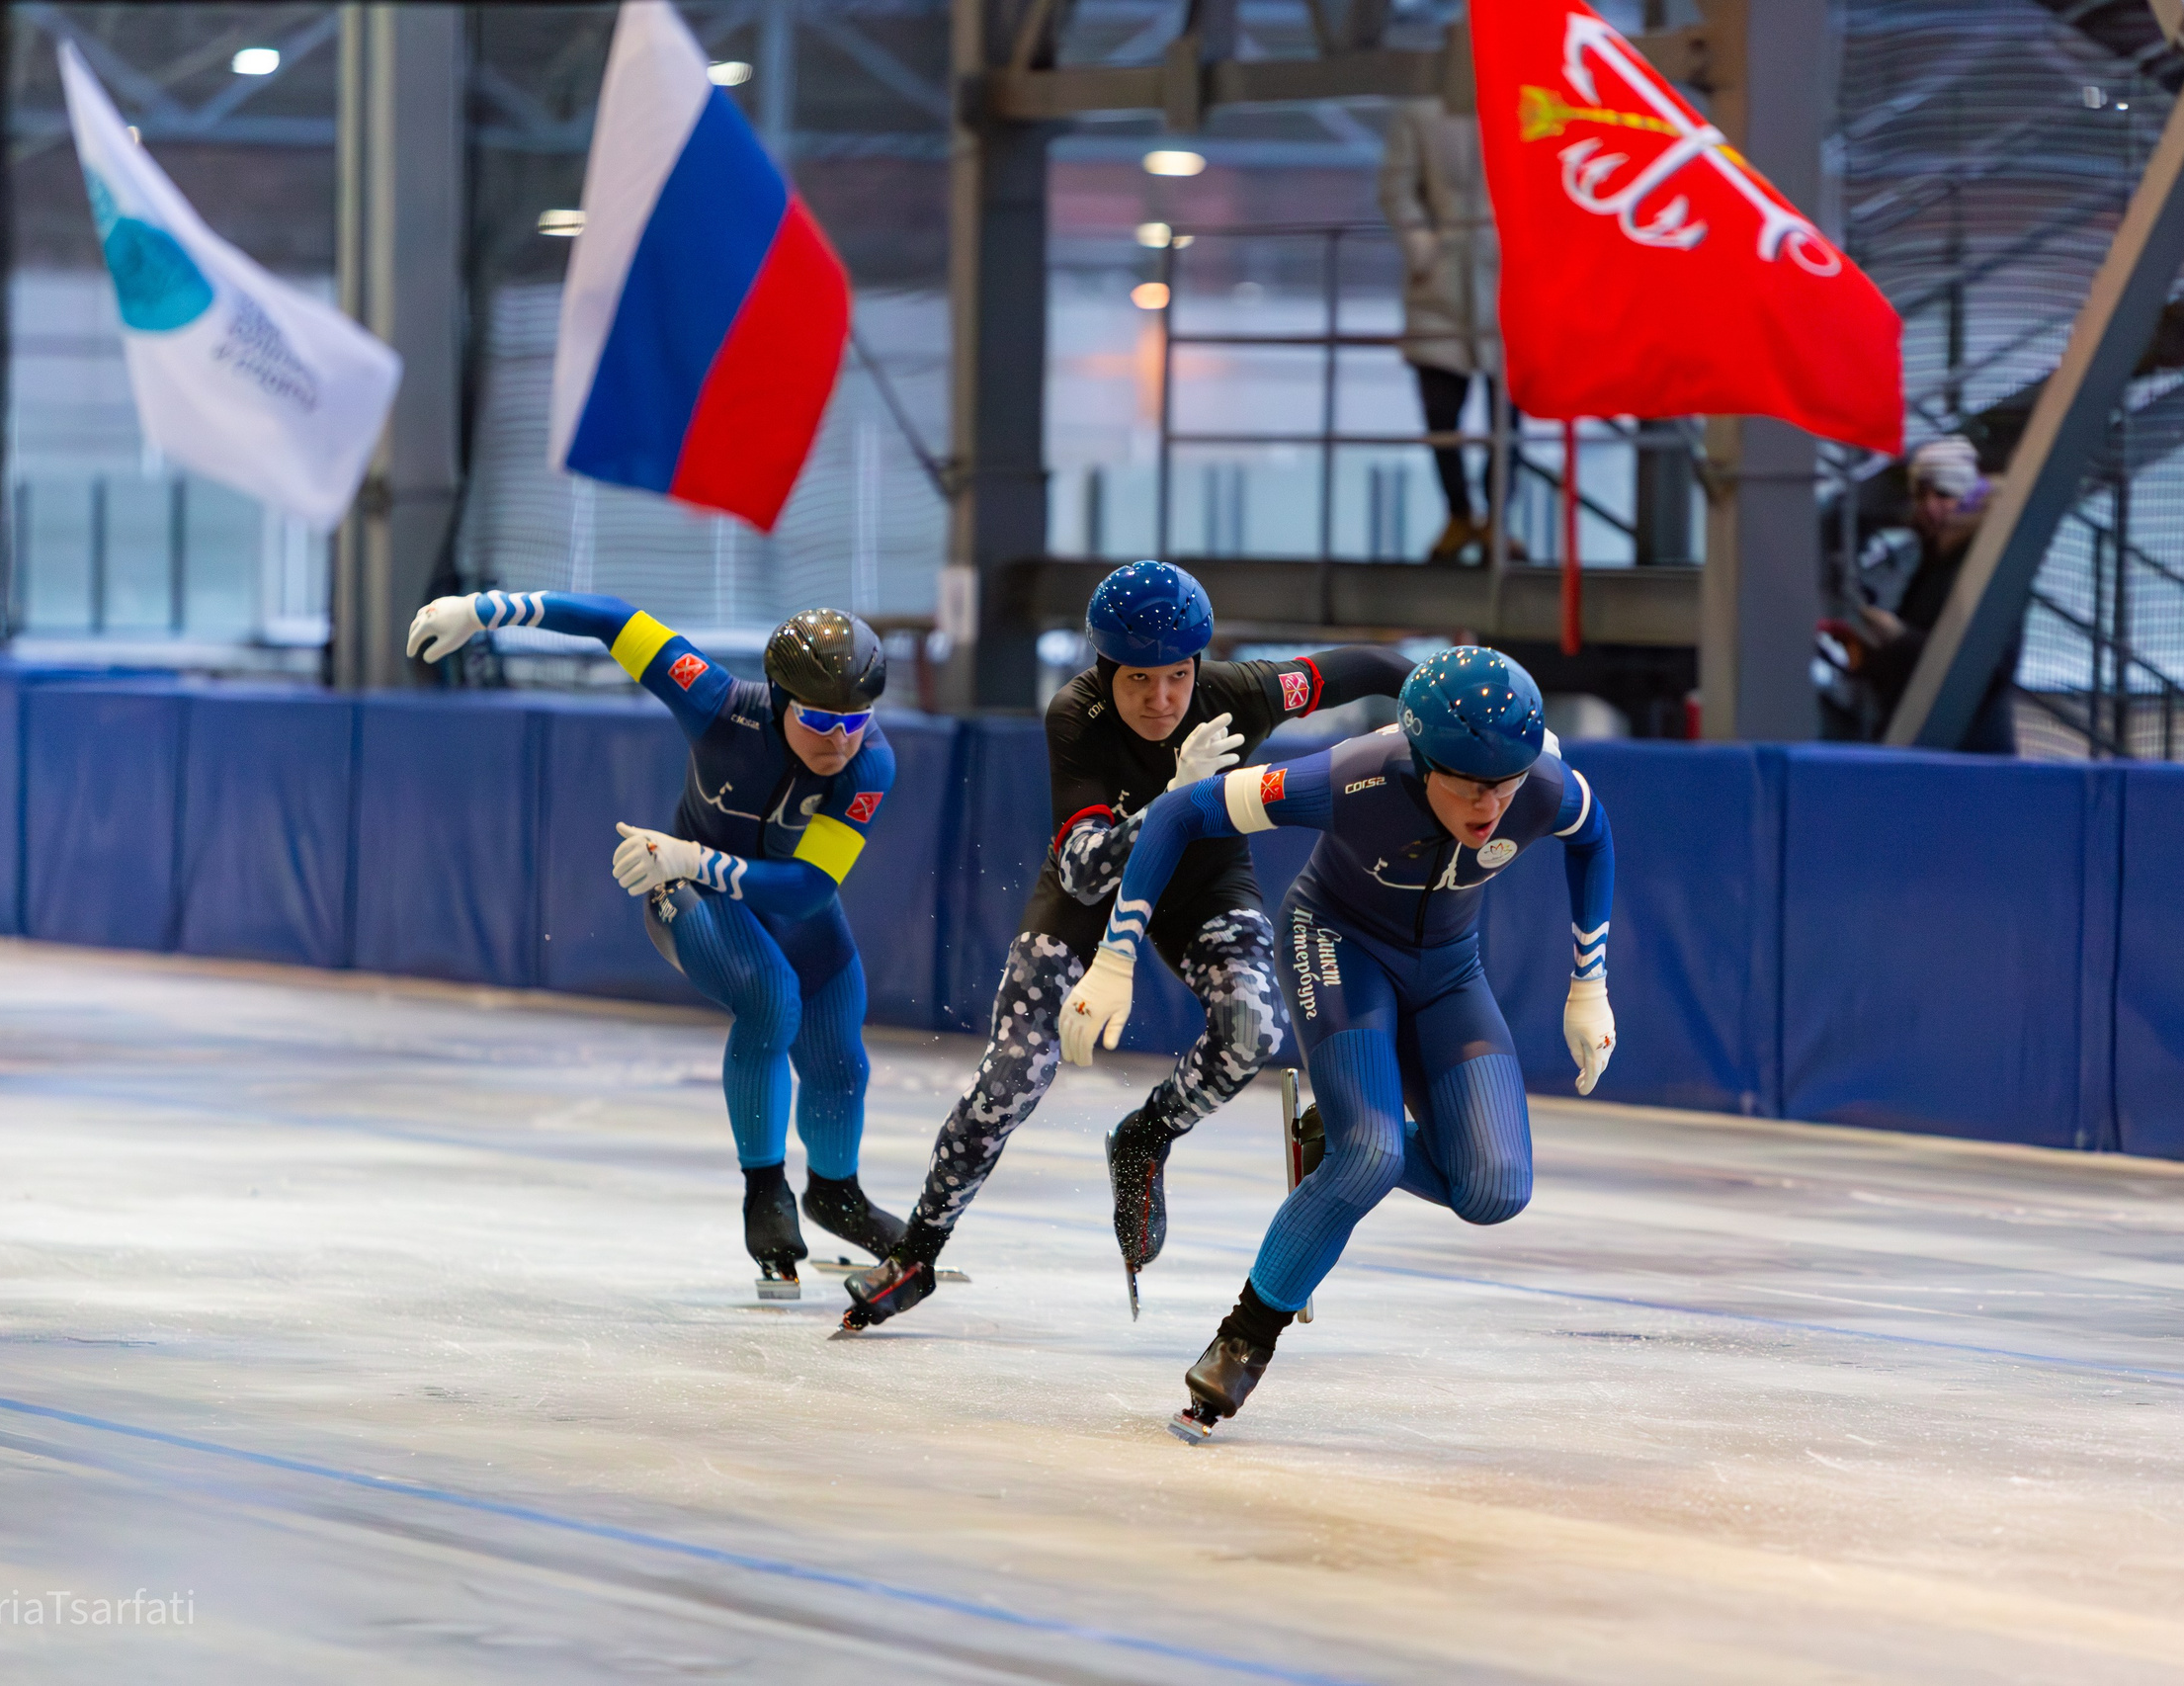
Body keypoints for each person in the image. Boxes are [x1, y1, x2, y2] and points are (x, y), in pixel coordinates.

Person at [838, 562, 1416, 1331]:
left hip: (1200, 885)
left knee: (1254, 1030)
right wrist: (1172, 796)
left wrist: (1438, 717)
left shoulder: (1238, 694)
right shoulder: (1073, 716)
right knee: (1016, 1072)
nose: (1162, 700)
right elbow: (1082, 871)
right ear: (1105, 669)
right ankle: (917, 1251)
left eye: (1177, 677)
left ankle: (1146, 1136)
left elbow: (1371, 667)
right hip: (1091, 893)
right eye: (1139, 680)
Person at [1060, 647, 1617, 1440]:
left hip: (1449, 974)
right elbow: (1185, 813)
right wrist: (1118, 952)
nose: (1490, 804)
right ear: (1420, 759)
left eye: (1505, 782)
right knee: (1372, 1157)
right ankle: (1244, 1339)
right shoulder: (1351, 777)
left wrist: (1588, 983)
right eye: (1467, 781)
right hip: (1337, 944)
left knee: (1495, 1191)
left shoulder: (1546, 787)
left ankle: (1331, 1134)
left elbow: (1596, 840)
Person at [407, 589, 904, 1299]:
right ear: (781, 702)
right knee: (772, 1000)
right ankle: (764, 1191)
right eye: (820, 720)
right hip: (687, 897)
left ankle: (835, 1191)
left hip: (710, 872)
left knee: (839, 1047)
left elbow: (807, 892)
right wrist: (488, 610)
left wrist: (692, 857)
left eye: (856, 720)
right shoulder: (715, 699)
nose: (840, 741)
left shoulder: (870, 765)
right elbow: (613, 620)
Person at [1381, 97, 1506, 566]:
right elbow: (1397, 189)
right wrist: (1424, 252)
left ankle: (1498, 518)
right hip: (1442, 284)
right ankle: (1458, 514)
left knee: (1506, 416)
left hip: (1503, 280)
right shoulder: (1421, 115)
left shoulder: (1520, 105)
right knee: (1441, 413)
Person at [1842, 436, 2019, 754]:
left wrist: (1899, 637)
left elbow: (1987, 663)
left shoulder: (1984, 567)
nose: (1930, 506)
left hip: (1969, 749)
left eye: (1943, 494)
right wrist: (1867, 654)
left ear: (1969, 499)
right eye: (1922, 494)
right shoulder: (1935, 561)